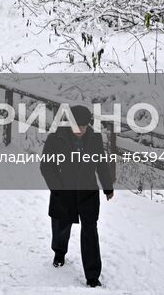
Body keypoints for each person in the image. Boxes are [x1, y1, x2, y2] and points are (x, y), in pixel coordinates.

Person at [39, 103, 114, 287]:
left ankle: (92, 276)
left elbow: (101, 164)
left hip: (88, 192)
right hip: (63, 191)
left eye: (83, 126)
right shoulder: (56, 138)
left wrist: (107, 187)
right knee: (61, 225)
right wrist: (57, 189)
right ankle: (59, 252)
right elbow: (46, 166)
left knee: (90, 232)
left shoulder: (95, 139)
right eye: (76, 125)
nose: (80, 130)